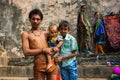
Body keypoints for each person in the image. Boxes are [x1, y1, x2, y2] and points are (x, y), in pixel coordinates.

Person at [21, 9, 57, 80]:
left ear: (41, 20)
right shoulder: (26, 34)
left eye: (38, 19)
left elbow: (58, 41)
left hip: (51, 62)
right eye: (33, 19)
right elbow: (26, 52)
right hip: (39, 63)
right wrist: (43, 50)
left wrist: (57, 50)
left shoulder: (46, 34)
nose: (35, 21)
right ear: (29, 20)